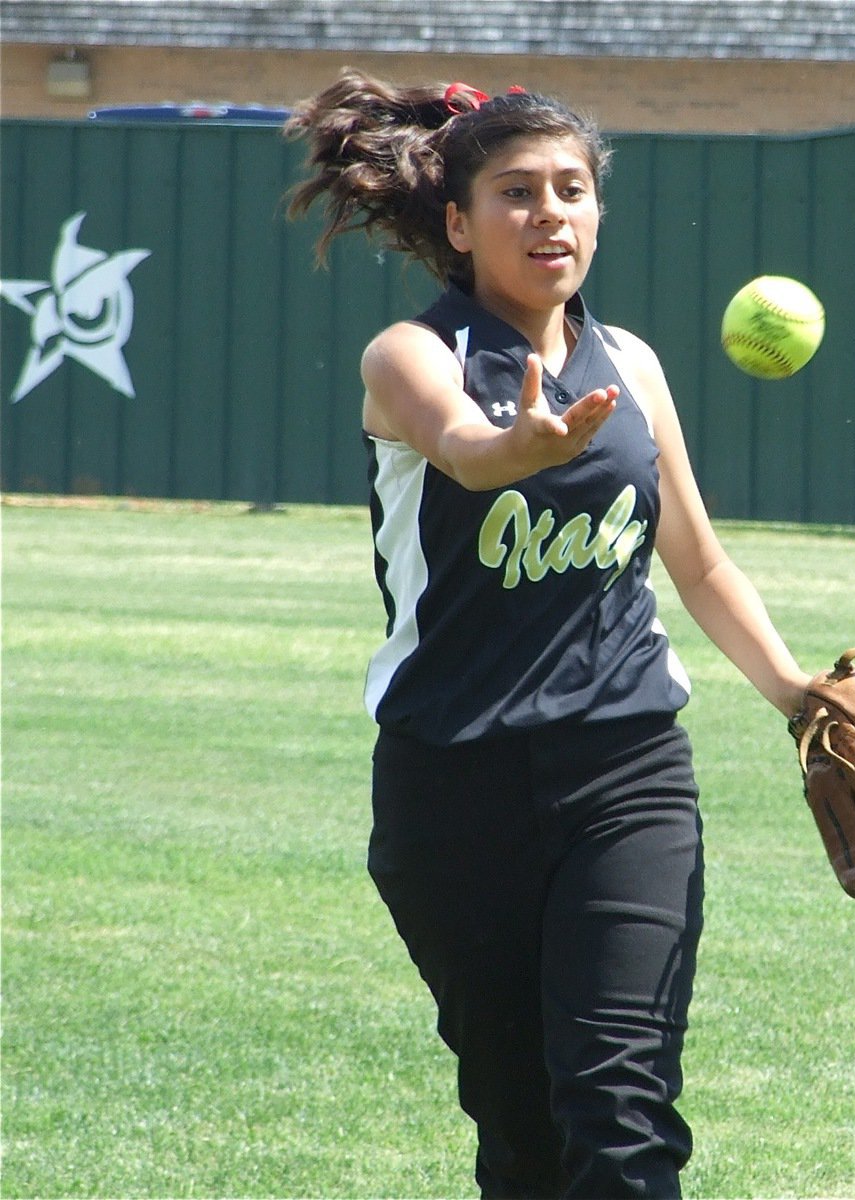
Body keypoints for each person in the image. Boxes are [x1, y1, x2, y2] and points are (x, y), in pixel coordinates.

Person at [284, 69, 811, 1199]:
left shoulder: (633, 366)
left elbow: (699, 560)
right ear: (459, 223)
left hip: (626, 770)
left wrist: (795, 694)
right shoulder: (411, 358)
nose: (549, 214)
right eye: (515, 193)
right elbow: (471, 454)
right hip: (450, 784)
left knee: (618, 1108)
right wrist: (520, 446)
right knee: (520, 1128)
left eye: (570, 189)